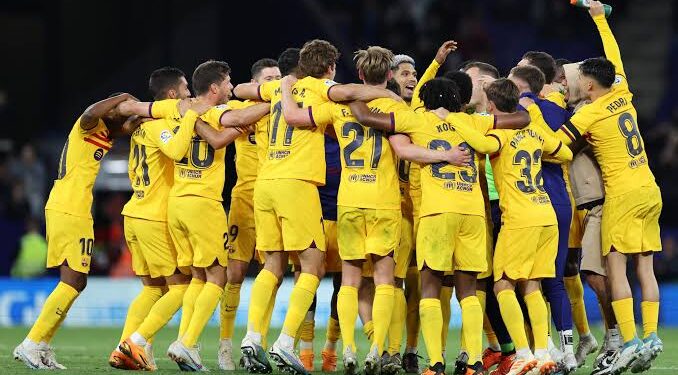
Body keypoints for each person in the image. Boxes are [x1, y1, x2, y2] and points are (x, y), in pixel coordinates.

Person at [279, 46, 471, 375]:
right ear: (390, 75)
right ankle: (378, 350)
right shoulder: (396, 109)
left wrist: (285, 87)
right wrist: (445, 156)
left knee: (350, 281)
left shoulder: (337, 106)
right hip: (385, 201)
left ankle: (350, 349)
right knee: (385, 281)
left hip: (349, 200)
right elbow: (405, 150)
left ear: (362, 75)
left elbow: (296, 117)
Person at [234, 39, 397, 375]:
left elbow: (238, 89)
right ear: (330, 68)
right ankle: (285, 342)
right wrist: (391, 95)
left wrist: (279, 85)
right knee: (312, 267)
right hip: (297, 184)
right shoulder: (325, 89)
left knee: (272, 266)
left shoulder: (279, 88)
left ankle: (252, 339)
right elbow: (352, 94)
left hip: (265, 184)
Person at [350, 76, 531, 375]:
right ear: (455, 99)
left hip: (436, 214)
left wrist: (348, 93)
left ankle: (435, 363)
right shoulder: (472, 122)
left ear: (428, 100)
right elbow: (522, 118)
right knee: (469, 291)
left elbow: (365, 116)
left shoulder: (416, 119)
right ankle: (473, 361)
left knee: (430, 289)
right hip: (473, 213)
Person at [552, 2, 663, 373]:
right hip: (650, 189)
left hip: (623, 195)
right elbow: (613, 55)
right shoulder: (622, 92)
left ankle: (629, 343)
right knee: (645, 269)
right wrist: (600, 18)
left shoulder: (589, 112)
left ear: (586, 84)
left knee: (616, 270)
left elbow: (556, 144)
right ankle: (651, 337)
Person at [447, 78, 573, 375]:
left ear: (491, 106)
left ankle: (523, 352)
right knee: (533, 284)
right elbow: (566, 153)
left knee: (503, 283)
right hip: (546, 214)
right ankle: (543, 353)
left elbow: (480, 145)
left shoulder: (501, 134)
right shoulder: (534, 131)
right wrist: (542, 153)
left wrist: (453, 119)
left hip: (519, 219)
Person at [13, 92, 137, 370]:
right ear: (112, 109)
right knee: (72, 281)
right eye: (121, 109)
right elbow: (91, 112)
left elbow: (132, 125)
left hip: (73, 208)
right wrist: (123, 97)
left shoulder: (106, 133)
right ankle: (31, 343)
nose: (125, 113)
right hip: (69, 208)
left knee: (77, 282)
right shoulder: (89, 124)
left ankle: (42, 344)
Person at [109, 67, 200, 371]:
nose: (190, 94)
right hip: (154, 217)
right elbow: (175, 149)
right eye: (186, 88)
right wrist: (190, 118)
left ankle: (124, 348)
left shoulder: (140, 127)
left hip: (134, 213)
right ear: (172, 94)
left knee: (151, 289)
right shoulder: (156, 125)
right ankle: (133, 343)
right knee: (181, 287)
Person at [509, 63, 577, 372]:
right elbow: (565, 150)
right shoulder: (557, 109)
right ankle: (567, 350)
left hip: (531, 204)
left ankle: (541, 348)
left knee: (520, 281)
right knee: (554, 279)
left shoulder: (523, 115)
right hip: (559, 202)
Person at [216, 57, 281, 370]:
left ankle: (257, 344)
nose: (274, 83)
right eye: (268, 78)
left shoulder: (287, 108)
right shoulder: (241, 106)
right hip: (244, 199)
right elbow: (230, 120)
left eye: (278, 78)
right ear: (256, 83)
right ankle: (225, 344)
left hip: (275, 198)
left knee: (273, 273)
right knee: (235, 275)